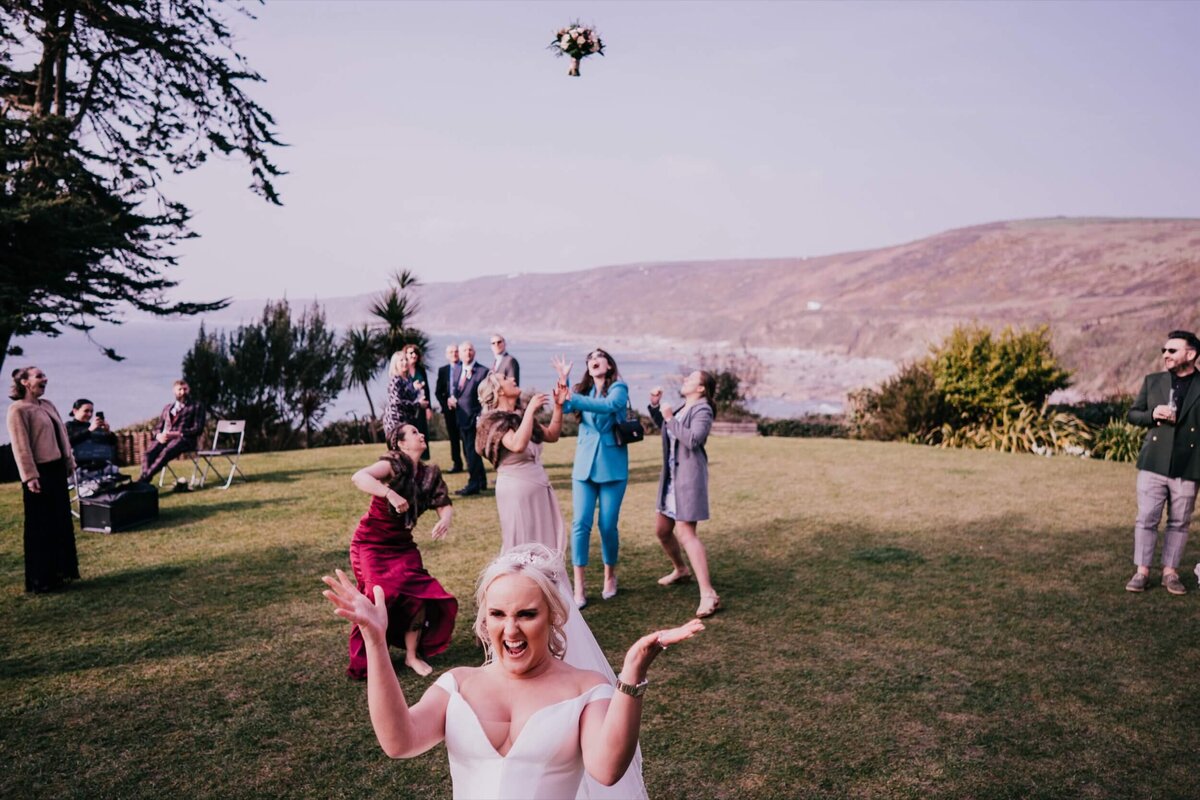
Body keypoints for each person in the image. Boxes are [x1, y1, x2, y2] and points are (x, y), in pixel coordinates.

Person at [321, 543, 704, 800]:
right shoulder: (458, 684)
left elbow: (606, 770)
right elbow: (399, 741)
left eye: (526, 614)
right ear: (484, 619)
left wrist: (633, 672)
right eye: (498, 614)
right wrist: (375, 639)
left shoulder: (587, 689)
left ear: (553, 616)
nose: (511, 629)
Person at [476, 372, 650, 799]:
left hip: (539, 486)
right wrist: (530, 410)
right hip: (515, 490)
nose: (515, 380)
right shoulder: (491, 421)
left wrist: (552, 406)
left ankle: (551, 622)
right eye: (507, 378)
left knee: (549, 565)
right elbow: (514, 447)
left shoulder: (522, 414)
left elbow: (551, 436)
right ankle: (520, 616)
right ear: (498, 390)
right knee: (520, 565)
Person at [346, 423, 456, 678]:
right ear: (401, 443)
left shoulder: (430, 474)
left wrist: (445, 518)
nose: (421, 435)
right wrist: (389, 494)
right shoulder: (394, 463)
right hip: (371, 543)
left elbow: (444, 503)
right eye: (415, 433)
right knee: (378, 594)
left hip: (402, 545)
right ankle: (372, 656)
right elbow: (359, 476)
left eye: (420, 432)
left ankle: (411, 656)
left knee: (419, 596)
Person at [1125, 329, 1200, 595]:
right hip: (1154, 462)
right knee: (1146, 518)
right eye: (1164, 351)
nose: (1165, 355)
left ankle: (1170, 572)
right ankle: (1142, 572)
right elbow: (1132, 415)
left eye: (1172, 350)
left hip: (1188, 466)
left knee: (1179, 522)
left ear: (1190, 355)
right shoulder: (1153, 381)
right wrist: (1152, 415)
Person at [555, 349, 630, 608]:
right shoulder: (581, 392)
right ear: (589, 367)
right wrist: (564, 382)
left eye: (600, 356)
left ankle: (610, 576)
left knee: (607, 526)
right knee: (580, 525)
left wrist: (574, 398)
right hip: (584, 468)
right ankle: (579, 585)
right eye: (590, 358)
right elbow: (564, 405)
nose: (594, 360)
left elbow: (609, 406)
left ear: (608, 364)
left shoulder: (619, 388)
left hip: (613, 467)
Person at [648, 371, 721, 618]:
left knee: (686, 532)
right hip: (672, 478)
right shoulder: (684, 407)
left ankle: (708, 593)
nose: (686, 380)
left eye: (692, 379)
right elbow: (668, 429)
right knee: (662, 529)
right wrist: (657, 408)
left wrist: (669, 418)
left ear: (701, 389)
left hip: (688, 478)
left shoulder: (703, 410)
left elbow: (693, 440)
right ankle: (681, 569)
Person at [6, 366, 79, 593]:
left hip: (57, 470)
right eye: (39, 376)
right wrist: (30, 477)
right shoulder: (18, 410)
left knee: (60, 522)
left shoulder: (47, 405)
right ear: (25, 382)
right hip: (39, 473)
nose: (45, 379)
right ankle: (41, 580)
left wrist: (69, 461)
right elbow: (21, 447)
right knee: (41, 526)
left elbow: (62, 436)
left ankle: (61, 573)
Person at [139, 379, 205, 483]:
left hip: (185, 440)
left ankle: (143, 480)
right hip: (165, 438)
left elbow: (198, 429)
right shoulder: (168, 408)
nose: (183, 392)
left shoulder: (196, 406)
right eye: (180, 390)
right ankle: (144, 480)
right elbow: (158, 427)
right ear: (174, 391)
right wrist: (158, 436)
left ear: (189, 389)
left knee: (166, 452)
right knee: (148, 454)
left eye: (185, 389)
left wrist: (179, 433)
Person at [449, 340, 489, 496]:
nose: (468, 353)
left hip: (474, 419)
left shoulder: (482, 371)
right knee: (469, 451)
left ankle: (473, 484)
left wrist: (480, 416)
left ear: (475, 352)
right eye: (465, 350)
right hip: (461, 418)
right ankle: (481, 481)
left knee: (472, 452)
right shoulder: (458, 369)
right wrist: (451, 400)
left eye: (470, 350)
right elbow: (456, 391)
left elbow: (485, 397)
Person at [435, 344, 465, 474]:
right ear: (447, 355)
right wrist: (445, 404)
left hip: (464, 410)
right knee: (453, 438)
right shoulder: (443, 370)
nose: (454, 354)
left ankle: (471, 463)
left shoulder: (465, 368)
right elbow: (438, 391)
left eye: (456, 351)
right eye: (451, 352)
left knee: (465, 437)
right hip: (449, 411)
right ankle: (457, 464)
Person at [383, 351, 422, 441]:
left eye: (406, 359)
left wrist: (416, 390)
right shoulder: (395, 380)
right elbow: (396, 402)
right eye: (401, 360)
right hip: (396, 420)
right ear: (395, 364)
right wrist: (418, 404)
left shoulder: (408, 379)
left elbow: (409, 397)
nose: (404, 362)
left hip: (407, 420)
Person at [403, 344, 433, 461]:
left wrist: (428, 407)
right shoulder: (404, 370)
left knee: (422, 432)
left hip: (421, 407)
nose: (413, 355)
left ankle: (423, 459)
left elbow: (427, 389)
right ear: (405, 355)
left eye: (415, 353)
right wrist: (412, 386)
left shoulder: (421, 370)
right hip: (409, 408)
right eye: (411, 353)